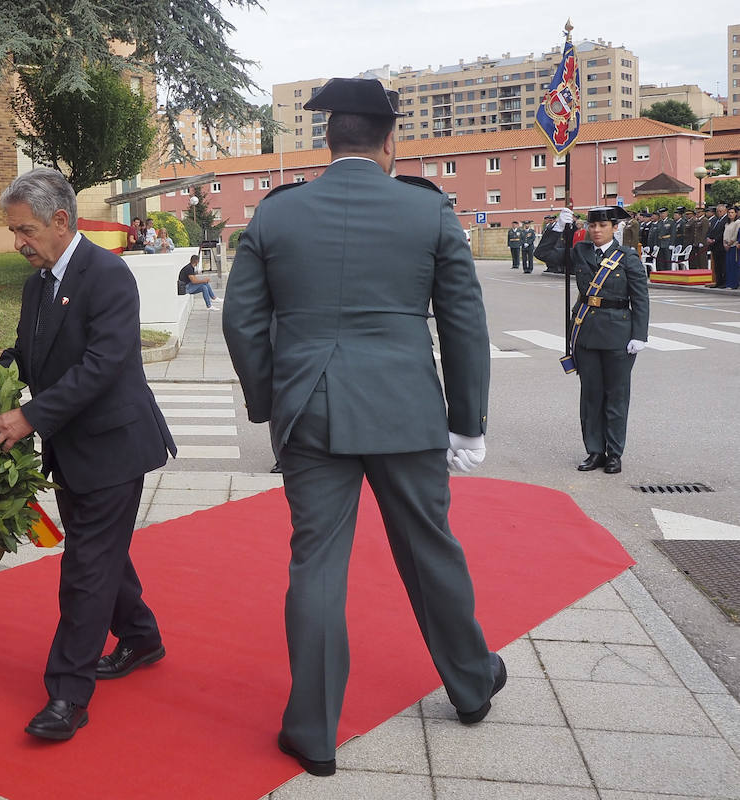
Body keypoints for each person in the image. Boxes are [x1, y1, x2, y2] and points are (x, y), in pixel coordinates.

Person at [221, 78, 504, 777]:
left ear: (326, 139)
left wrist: (269, 403)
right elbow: (465, 323)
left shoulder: (277, 215)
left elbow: (240, 320)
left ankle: (313, 733)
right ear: (389, 142)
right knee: (429, 550)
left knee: (316, 563)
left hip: (310, 409)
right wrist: (466, 423)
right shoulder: (429, 212)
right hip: (405, 408)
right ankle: (470, 684)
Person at [0, 168, 176, 742]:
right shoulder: (38, 281)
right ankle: (141, 638)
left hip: (113, 445)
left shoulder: (108, 274)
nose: (19, 243)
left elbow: (104, 364)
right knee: (101, 554)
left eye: (25, 231)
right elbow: (28, 351)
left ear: (61, 221)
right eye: (15, 231)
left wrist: (28, 417)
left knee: (85, 569)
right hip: (69, 446)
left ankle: (67, 695)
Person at [535, 206, 649, 474]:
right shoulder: (580, 252)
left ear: (614, 228)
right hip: (585, 333)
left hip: (618, 335)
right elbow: (543, 254)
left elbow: (640, 298)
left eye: (603, 226)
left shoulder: (627, 257)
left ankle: (614, 453)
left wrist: (639, 335)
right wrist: (556, 229)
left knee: (616, 396)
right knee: (591, 396)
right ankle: (595, 451)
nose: (596, 231)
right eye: (592, 226)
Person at [724, 207, 740, 289]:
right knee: (728, 265)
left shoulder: (737, 223)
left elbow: (735, 235)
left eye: (732, 212)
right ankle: (729, 283)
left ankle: (734, 284)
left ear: (736, 213)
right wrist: (725, 244)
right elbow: (725, 235)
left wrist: (729, 244)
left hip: (733, 246)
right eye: (729, 212)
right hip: (727, 246)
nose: (730, 214)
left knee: (734, 266)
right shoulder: (727, 224)